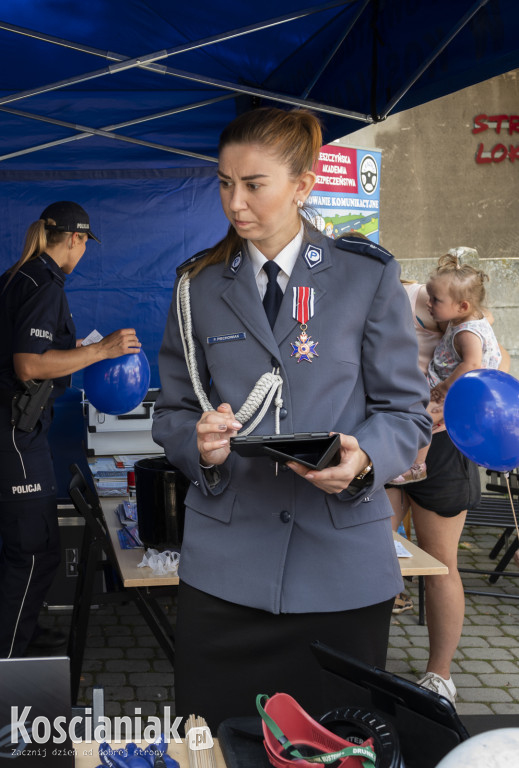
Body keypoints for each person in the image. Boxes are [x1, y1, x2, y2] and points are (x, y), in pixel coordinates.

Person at [152, 106, 431, 730]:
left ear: (304, 184)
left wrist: (364, 464)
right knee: (216, 743)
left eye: (254, 184)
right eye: (225, 183)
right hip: (226, 573)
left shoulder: (366, 276)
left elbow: (404, 413)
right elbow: (171, 408)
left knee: (335, 745)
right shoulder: (196, 288)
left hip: (340, 572)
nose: (235, 202)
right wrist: (197, 444)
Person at [0, 200, 142, 658]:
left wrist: (73, 349)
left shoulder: (19, 276)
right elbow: (27, 364)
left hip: (20, 434)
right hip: (15, 435)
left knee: (39, 550)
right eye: (83, 243)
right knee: (34, 553)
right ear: (77, 239)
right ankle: (10, 661)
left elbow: (32, 349)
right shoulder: (43, 283)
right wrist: (101, 351)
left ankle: (25, 635)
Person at [387, 251, 507, 705]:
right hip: (388, 435)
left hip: (440, 443)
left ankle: (440, 676)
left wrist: (448, 392)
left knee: (439, 563)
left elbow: (490, 351)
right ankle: (362, 659)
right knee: (373, 554)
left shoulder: (429, 299)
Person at [391, 254, 501, 485]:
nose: (428, 303)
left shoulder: (467, 332)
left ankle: (417, 467)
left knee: (424, 419)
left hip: (457, 390)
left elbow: (471, 364)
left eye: (435, 300)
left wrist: (444, 387)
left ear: (462, 306)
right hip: (455, 386)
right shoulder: (464, 318)